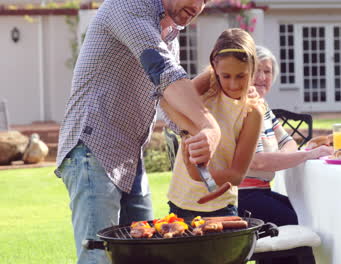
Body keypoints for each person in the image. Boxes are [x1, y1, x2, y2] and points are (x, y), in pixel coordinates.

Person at [54, 1, 221, 263]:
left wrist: (191, 135)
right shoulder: (128, 6)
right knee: (99, 258)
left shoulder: (169, 34)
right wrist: (209, 125)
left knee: (147, 253)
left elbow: (167, 99)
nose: (198, 6)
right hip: (92, 149)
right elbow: (163, 71)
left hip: (130, 157)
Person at [166, 28, 264, 220]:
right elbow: (170, 104)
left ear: (252, 69)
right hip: (180, 201)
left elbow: (236, 175)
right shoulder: (206, 88)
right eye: (226, 76)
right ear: (215, 68)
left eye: (241, 76)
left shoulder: (253, 112)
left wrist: (201, 176)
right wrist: (188, 131)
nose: (234, 84)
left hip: (219, 209)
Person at [237, 45, 333, 227]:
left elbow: (288, 142)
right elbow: (258, 161)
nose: (262, 77)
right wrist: (308, 154)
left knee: (306, 211)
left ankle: (278, 256)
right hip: (243, 195)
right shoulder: (245, 108)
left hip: (260, 190)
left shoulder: (262, 106)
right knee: (297, 219)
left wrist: (279, 158)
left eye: (267, 71)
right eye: (256, 71)